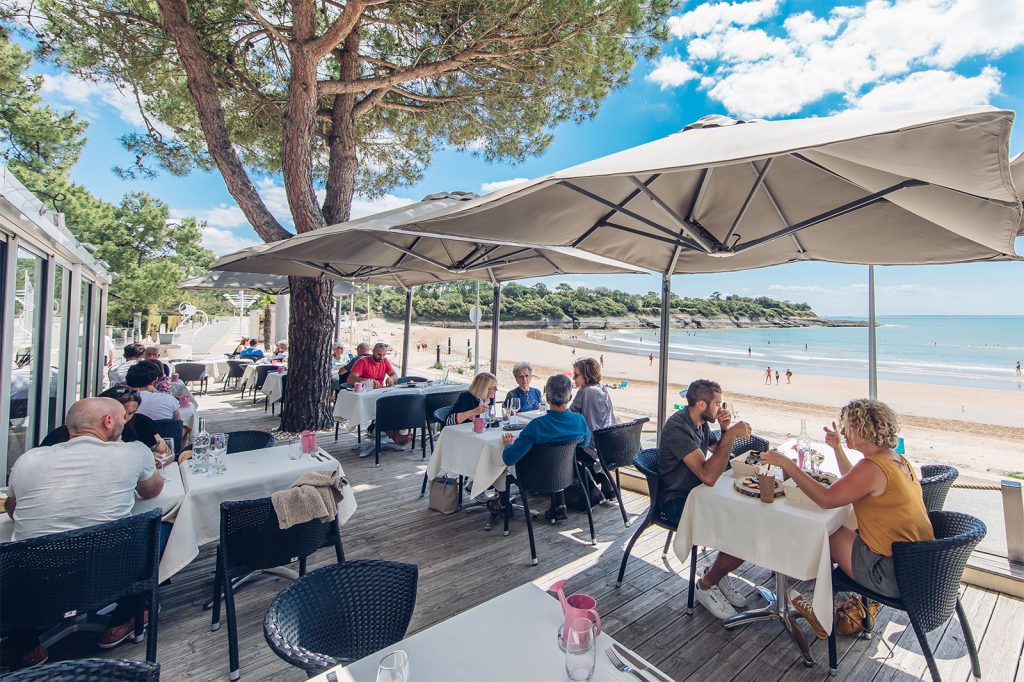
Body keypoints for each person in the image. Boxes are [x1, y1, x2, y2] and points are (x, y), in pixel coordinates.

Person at [5, 397, 164, 665]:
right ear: (109, 421)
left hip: (32, 581)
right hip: (112, 572)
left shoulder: (29, 459)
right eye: (123, 418)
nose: (126, 422)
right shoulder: (133, 452)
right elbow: (152, 491)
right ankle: (128, 613)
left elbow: (13, 510)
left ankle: (26, 643)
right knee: (163, 525)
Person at [761, 399, 934, 635]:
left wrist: (788, 465)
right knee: (834, 528)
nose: (843, 431)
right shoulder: (894, 459)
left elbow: (825, 499)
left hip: (890, 575)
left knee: (823, 534)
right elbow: (854, 480)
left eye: (848, 427)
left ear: (863, 429)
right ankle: (820, 596)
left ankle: (819, 611)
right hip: (918, 567)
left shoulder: (872, 467)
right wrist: (837, 448)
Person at [658, 379, 753, 620]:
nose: (720, 409)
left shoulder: (700, 423)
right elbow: (709, 475)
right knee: (743, 533)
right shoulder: (678, 428)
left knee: (747, 519)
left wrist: (723, 430)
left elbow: (716, 454)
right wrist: (731, 434)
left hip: (699, 495)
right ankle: (706, 584)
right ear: (701, 404)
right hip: (677, 501)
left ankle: (718, 574)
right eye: (717, 403)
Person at [501, 374, 591, 522]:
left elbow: (509, 459)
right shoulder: (579, 421)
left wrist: (507, 445)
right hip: (566, 476)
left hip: (534, 481)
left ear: (547, 398)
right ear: (570, 398)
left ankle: (501, 503)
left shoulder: (537, 426)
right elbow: (584, 443)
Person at [40, 386, 173, 461]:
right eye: (121, 413)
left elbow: (165, 452)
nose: (125, 419)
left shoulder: (141, 423)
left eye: (131, 413)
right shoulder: (65, 435)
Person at [570, 357, 616, 431]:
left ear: (587, 376)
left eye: (576, 375)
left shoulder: (585, 391)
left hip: (592, 440)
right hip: (608, 437)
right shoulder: (601, 388)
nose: (573, 378)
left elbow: (571, 414)